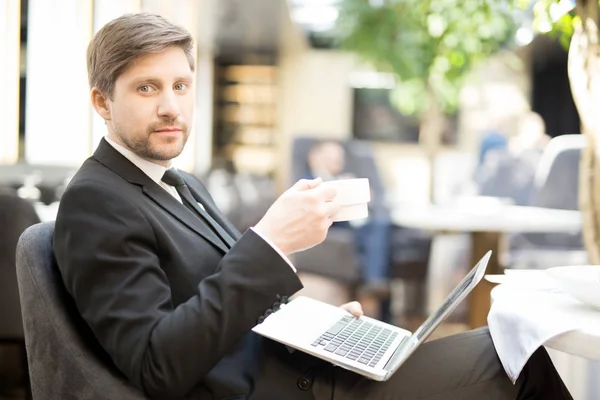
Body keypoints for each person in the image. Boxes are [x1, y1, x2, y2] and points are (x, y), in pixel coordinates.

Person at [53, 13, 572, 399]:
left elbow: (212, 298)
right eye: (147, 88)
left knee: (514, 346)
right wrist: (270, 241)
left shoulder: (179, 183)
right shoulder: (96, 201)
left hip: (297, 360)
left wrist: (308, 324)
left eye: (181, 85)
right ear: (102, 102)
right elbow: (157, 365)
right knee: (519, 361)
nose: (171, 106)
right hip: (277, 387)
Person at [305, 141, 392, 301]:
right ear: (315, 157)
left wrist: (363, 195)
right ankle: (375, 280)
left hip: (356, 224)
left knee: (384, 226)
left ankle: (379, 288)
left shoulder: (342, 178)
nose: (337, 161)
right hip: (337, 229)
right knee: (379, 229)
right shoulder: (308, 181)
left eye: (339, 158)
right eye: (331, 157)